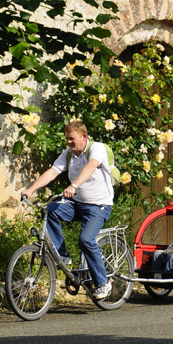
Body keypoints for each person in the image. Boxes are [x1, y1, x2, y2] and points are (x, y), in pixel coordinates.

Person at [20, 120, 113, 300]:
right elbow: (52, 172)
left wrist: (74, 185)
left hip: (99, 206)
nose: (69, 143)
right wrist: (30, 190)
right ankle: (63, 256)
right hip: (77, 205)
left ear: (84, 136)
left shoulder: (96, 149)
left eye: (72, 139)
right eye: (67, 139)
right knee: (49, 210)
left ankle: (103, 283)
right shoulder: (68, 154)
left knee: (85, 240)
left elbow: (91, 166)